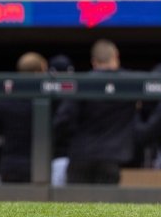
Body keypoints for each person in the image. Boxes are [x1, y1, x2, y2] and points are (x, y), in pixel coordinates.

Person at [53, 40, 137, 184]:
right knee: (105, 205)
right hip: (112, 157)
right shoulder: (131, 82)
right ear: (116, 56)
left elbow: (62, 120)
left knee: (76, 205)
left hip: (81, 155)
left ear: (94, 61)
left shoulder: (81, 82)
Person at [0, 52, 48, 183]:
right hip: (38, 164)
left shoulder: (5, 100)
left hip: (10, 164)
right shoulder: (44, 99)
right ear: (38, 72)